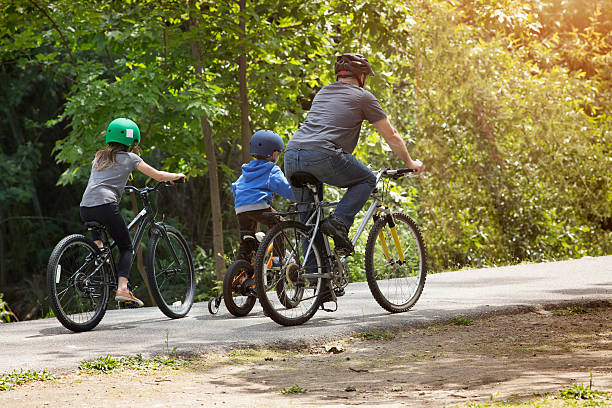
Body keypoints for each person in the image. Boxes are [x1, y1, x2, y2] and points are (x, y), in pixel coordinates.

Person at [284, 53, 425, 257]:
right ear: (362, 77)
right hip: (323, 155)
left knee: (309, 221)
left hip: (291, 156)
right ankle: (339, 222)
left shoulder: (323, 92)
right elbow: (391, 136)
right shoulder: (363, 96)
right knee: (367, 179)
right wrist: (410, 162)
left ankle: (318, 279)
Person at [80, 118, 185, 307]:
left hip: (86, 206)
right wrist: (176, 176)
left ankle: (99, 258)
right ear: (131, 141)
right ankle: (122, 288)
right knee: (127, 247)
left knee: (102, 248)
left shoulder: (98, 157)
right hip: (106, 205)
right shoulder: (131, 158)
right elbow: (158, 176)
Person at [232, 130, 295, 261]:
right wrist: (300, 196)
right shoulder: (271, 169)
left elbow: (236, 186)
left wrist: (243, 201)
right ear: (274, 153)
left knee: (246, 238)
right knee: (279, 225)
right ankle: (278, 260)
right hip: (258, 206)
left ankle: (240, 273)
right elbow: (285, 189)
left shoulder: (247, 169)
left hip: (240, 208)